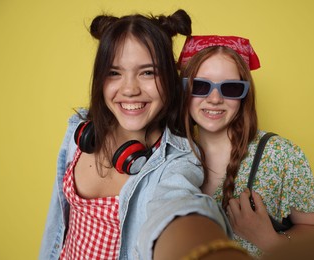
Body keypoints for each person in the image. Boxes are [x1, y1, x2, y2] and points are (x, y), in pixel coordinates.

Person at [39, 13, 250, 260]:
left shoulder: (178, 160)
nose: (130, 89)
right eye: (114, 73)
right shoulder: (79, 131)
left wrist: (206, 250)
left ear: (170, 79)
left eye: (148, 73)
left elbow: (179, 206)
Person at [179, 35, 314, 258]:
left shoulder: (281, 155)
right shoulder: (168, 154)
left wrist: (269, 239)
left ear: (244, 94)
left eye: (230, 88)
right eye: (200, 86)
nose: (215, 98)